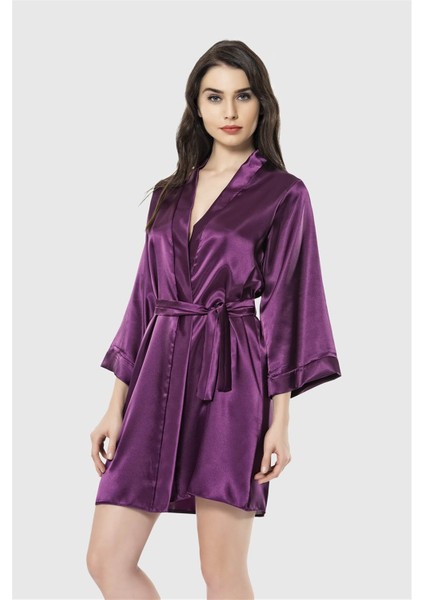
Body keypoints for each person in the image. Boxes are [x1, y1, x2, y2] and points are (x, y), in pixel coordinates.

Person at [86, 39, 342, 599]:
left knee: (220, 571)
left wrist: (279, 422)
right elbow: (144, 299)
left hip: (231, 380)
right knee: (107, 559)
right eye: (214, 96)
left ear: (262, 104)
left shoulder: (283, 193)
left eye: (243, 96)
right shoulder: (169, 193)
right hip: (156, 375)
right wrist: (115, 404)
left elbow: (288, 306)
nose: (229, 111)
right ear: (196, 106)